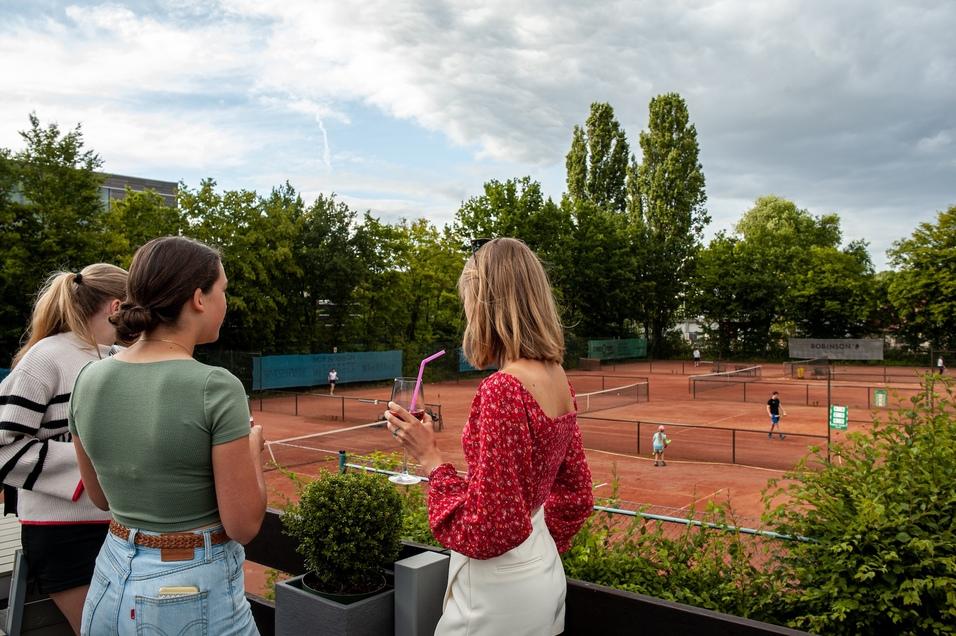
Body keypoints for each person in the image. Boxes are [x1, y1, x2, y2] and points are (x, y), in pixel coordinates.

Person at [385, 237, 593, 636]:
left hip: (496, 596)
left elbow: (487, 528)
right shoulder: (557, 377)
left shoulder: (503, 389)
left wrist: (431, 461)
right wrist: (535, 546)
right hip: (543, 574)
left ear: (486, 305)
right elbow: (577, 494)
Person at [69, 237, 266, 635]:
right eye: (222, 290)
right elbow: (243, 525)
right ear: (198, 298)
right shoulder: (216, 385)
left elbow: (101, 497)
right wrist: (252, 452)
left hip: (109, 579)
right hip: (190, 591)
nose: (225, 302)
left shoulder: (88, 377)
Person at [0, 264, 127, 634]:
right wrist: (84, 468)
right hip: (62, 535)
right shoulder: (45, 358)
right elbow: (4, 449)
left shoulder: (120, 356)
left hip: (121, 530)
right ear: (116, 307)